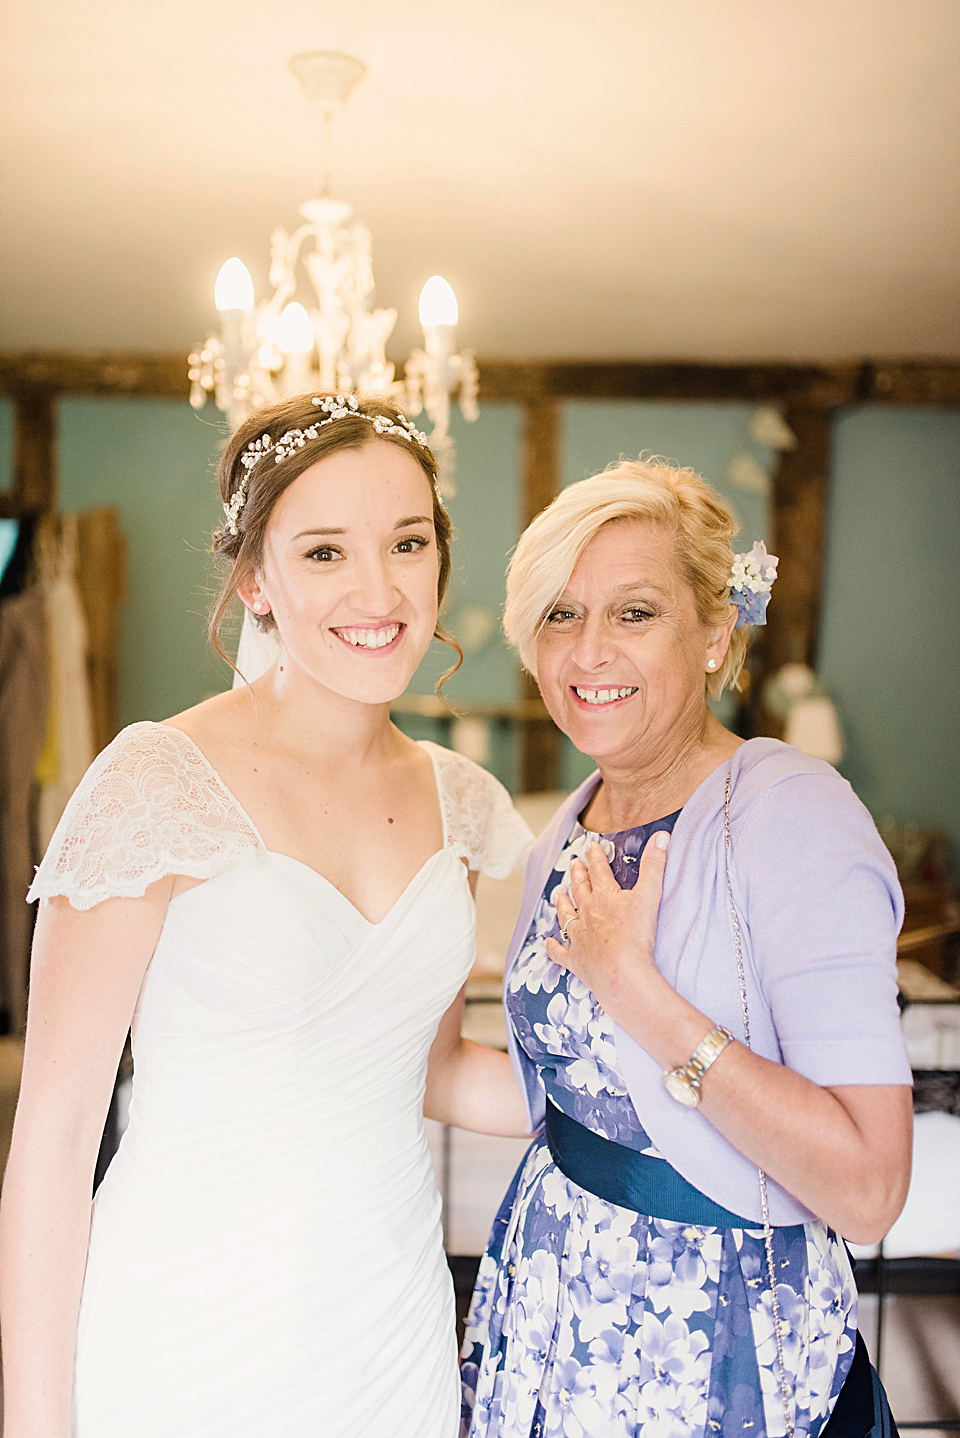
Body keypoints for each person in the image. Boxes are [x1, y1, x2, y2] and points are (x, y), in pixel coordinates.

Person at [0, 393, 533, 1438]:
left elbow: (426, 1068)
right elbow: (55, 1140)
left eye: (407, 542)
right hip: (187, 1331)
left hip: (390, 1334)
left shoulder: (458, 803)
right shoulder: (156, 781)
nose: (378, 590)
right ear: (257, 579)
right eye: (325, 551)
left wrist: (664, 1086)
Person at [460, 458, 913, 1438]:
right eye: (558, 614)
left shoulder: (792, 812)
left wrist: (637, 988)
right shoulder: (570, 825)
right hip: (554, 1318)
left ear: (714, 633)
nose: (587, 652)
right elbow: (556, 1096)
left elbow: (871, 1188)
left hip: (714, 1348)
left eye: (633, 613)